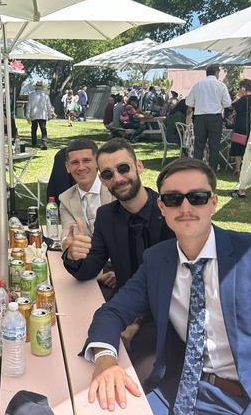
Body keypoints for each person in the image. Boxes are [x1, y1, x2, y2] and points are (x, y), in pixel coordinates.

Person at [84, 157, 251, 415]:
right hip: (179, 389)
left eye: (197, 197)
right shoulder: (157, 260)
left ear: (213, 203)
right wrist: (105, 360)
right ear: (162, 207)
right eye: (173, 199)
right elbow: (113, 311)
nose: (185, 207)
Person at [63, 138, 174, 380]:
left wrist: (138, 323)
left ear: (139, 166)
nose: (118, 179)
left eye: (124, 168)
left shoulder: (169, 212)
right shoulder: (106, 216)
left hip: (164, 316)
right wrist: (73, 256)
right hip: (122, 310)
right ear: (102, 180)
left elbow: (175, 286)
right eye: (108, 174)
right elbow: (88, 269)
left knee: (141, 378)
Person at [58, 139, 115, 294]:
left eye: (86, 160)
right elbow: (68, 232)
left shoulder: (115, 188)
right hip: (90, 269)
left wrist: (120, 270)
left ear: (97, 163)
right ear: (67, 167)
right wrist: (67, 245)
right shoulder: (65, 198)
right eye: (75, 162)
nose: (81, 167)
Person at [186, 64, 232, 171]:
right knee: (214, 146)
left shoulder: (198, 85)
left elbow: (189, 102)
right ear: (216, 73)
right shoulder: (221, 85)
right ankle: (212, 171)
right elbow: (227, 103)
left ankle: (197, 169)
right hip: (215, 118)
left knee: (199, 145)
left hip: (200, 118)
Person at [229, 79, 251, 176]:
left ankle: (238, 167)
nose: (238, 90)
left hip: (241, 125)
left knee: (237, 146)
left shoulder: (243, 99)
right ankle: (249, 167)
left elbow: (232, 106)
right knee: (250, 146)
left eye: (239, 88)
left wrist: (238, 96)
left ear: (243, 88)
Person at [26, 81, 53, 149]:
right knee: (43, 129)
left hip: (34, 115)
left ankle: (34, 142)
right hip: (42, 115)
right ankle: (44, 142)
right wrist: (49, 115)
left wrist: (27, 115)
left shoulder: (31, 95)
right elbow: (48, 106)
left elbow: (28, 106)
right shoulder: (45, 95)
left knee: (34, 129)